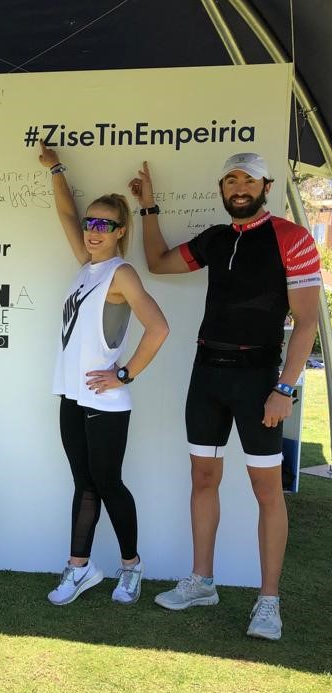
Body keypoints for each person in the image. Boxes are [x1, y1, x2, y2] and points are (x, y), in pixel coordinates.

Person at [130, 152, 321, 641]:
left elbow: (307, 322)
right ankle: (202, 582)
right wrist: (148, 207)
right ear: (222, 188)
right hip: (207, 375)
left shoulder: (292, 238)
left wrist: (284, 387)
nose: (239, 188)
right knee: (202, 478)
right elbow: (158, 263)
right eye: (231, 180)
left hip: (259, 380)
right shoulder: (216, 238)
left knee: (266, 490)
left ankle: (269, 600)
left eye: (249, 180)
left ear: (266, 186)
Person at [39, 142, 169, 606]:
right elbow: (66, 216)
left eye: (104, 225)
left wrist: (125, 374)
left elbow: (159, 328)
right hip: (72, 395)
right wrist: (56, 168)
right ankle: (80, 568)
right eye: (90, 224)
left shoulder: (121, 273)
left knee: (108, 483)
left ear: (119, 232)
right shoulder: (87, 267)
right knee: (84, 483)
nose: (93, 231)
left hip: (105, 401)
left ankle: (131, 567)